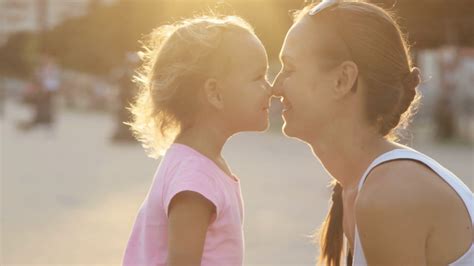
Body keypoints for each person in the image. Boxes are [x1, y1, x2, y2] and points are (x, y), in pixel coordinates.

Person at [272, 0, 473, 265]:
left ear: (342, 80)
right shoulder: (366, 185)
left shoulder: (389, 195)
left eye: (290, 68)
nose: (275, 86)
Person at [123, 15, 271, 266]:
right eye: (259, 77)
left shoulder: (197, 163)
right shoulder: (195, 178)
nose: (271, 88)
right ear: (215, 93)